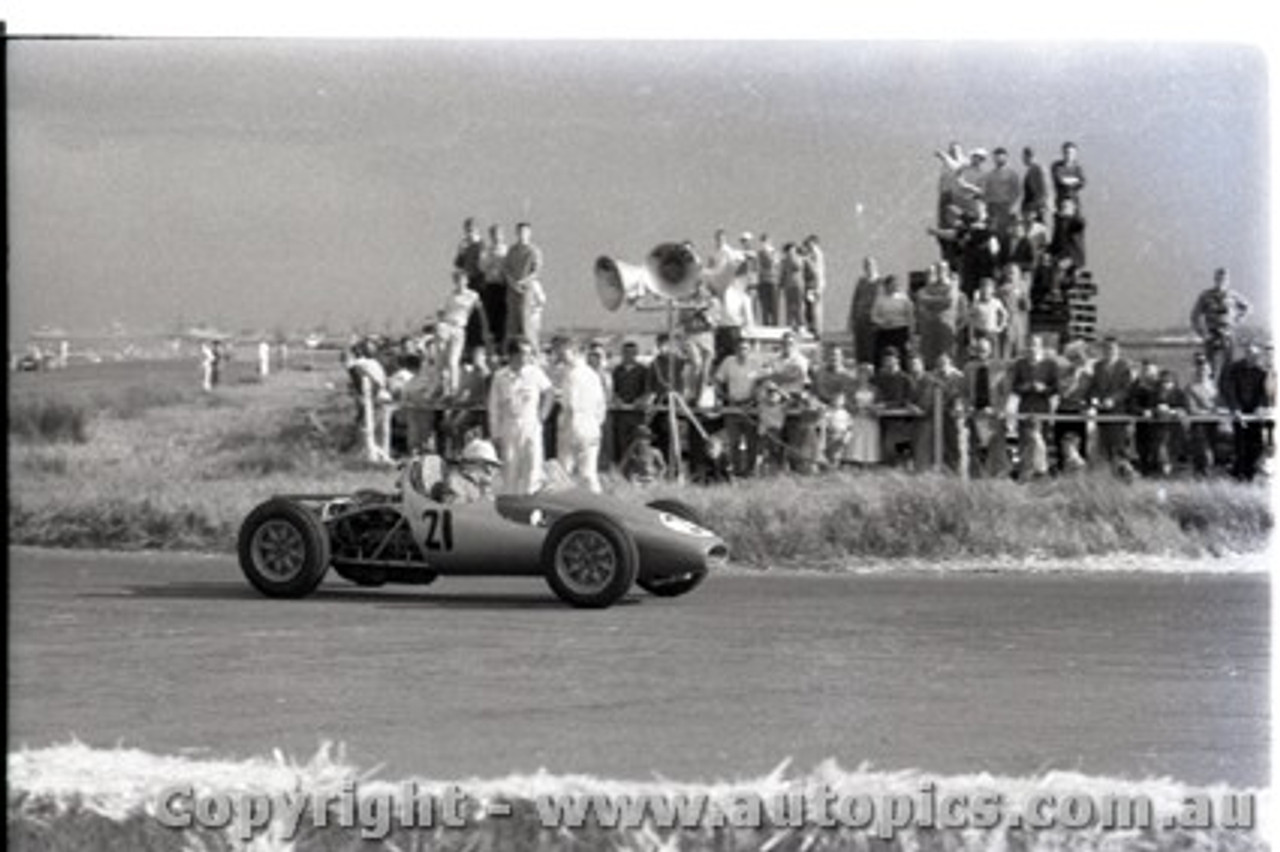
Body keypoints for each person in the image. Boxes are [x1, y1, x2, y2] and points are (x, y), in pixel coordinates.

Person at [487, 337, 554, 495]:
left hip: (531, 425)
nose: (527, 357)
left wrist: (542, 415)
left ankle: (532, 512)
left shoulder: (535, 373)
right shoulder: (500, 376)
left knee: (533, 469)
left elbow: (549, 392)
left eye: (529, 354)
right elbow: (493, 406)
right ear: (512, 355)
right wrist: (495, 434)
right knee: (510, 469)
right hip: (509, 427)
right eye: (523, 353)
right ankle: (510, 511)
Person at [555, 339, 609, 493]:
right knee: (589, 473)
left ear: (575, 353)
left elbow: (570, 405)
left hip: (573, 425)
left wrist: (564, 427)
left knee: (564, 470)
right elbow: (601, 404)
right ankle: (598, 503)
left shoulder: (571, 375)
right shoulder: (593, 374)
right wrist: (596, 424)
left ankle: (564, 503)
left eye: (564, 354)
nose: (561, 358)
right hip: (591, 426)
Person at [1219, 341, 1273, 482]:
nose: (1252, 356)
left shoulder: (1261, 372)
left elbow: (1264, 392)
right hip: (1240, 412)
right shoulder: (1234, 369)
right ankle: (1239, 476)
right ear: (1245, 354)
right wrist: (1235, 408)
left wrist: (1261, 406)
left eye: (1255, 354)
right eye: (1249, 353)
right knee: (1241, 445)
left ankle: (1249, 473)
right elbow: (1230, 390)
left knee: (1257, 445)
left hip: (1255, 413)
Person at [1011, 334, 1059, 480]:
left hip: (1042, 405)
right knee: (1025, 439)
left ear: (1041, 346)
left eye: (1035, 344)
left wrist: (1043, 389)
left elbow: (1056, 387)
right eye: (1029, 344)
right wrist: (1023, 387)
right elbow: (1013, 386)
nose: (1032, 347)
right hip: (1025, 405)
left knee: (1041, 440)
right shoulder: (1020, 364)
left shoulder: (1050, 364)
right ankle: (1024, 471)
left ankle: (1041, 472)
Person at [1189, 267, 1252, 377]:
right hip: (1212, 334)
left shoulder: (1233, 295)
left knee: (1229, 367)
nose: (1221, 281)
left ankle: (1227, 391)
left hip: (1228, 334)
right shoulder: (1206, 295)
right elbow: (1194, 315)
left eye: (1224, 279)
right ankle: (1211, 391)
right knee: (1209, 368)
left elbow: (1248, 308)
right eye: (1218, 278)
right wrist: (1202, 333)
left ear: (1228, 281)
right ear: (1215, 279)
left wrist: (1237, 320)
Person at [963, 337, 1010, 478]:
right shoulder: (968, 367)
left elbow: (1005, 392)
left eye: (984, 349)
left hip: (993, 415)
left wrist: (997, 409)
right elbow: (964, 391)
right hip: (975, 414)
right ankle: (976, 480)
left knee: (996, 448)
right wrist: (968, 406)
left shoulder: (999, 366)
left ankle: (997, 479)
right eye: (978, 349)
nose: (981, 352)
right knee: (974, 449)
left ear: (990, 350)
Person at [714, 336, 760, 477]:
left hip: (751, 407)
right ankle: (735, 471)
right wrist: (724, 397)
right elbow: (717, 381)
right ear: (735, 349)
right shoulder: (728, 362)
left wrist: (754, 399)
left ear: (749, 350)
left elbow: (763, 384)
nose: (742, 351)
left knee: (752, 442)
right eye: (740, 348)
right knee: (734, 442)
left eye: (745, 348)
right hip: (733, 406)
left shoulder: (755, 363)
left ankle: (750, 471)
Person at [1088, 337, 1136, 470]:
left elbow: (1126, 389)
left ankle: (1122, 471)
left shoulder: (1125, 366)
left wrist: (1113, 400)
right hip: (1102, 411)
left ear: (1118, 350)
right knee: (1103, 443)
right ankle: (1106, 471)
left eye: (1112, 348)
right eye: (1106, 348)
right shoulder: (1097, 366)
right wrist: (1095, 398)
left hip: (1118, 411)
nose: (1109, 351)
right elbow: (1094, 386)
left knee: (1118, 444)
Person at [437, 269, 486, 397]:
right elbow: (441, 313)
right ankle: (443, 388)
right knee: (441, 360)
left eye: (462, 279)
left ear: (466, 281)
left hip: (459, 328)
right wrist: (440, 328)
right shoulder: (449, 296)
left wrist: (485, 329)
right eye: (456, 280)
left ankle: (453, 390)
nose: (459, 282)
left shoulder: (473, 295)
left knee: (453, 361)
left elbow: (481, 312)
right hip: (446, 326)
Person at [502, 222, 547, 351]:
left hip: (526, 290)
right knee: (511, 321)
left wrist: (523, 282)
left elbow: (536, 271)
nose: (522, 234)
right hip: (512, 290)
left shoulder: (534, 251)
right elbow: (506, 268)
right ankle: (509, 352)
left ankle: (533, 351)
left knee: (526, 322)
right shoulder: (512, 250)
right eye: (520, 232)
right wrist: (512, 282)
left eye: (525, 232)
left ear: (529, 233)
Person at [915, 263, 968, 369]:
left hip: (947, 330)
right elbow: (921, 303)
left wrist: (932, 302)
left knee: (948, 358)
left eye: (943, 270)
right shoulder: (925, 290)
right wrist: (941, 300)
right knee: (929, 360)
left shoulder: (958, 293)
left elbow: (952, 303)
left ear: (947, 271)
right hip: (929, 330)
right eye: (937, 270)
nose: (940, 273)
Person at [611, 338, 652, 466]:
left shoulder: (643, 370)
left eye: (632, 352)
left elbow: (648, 390)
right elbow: (612, 389)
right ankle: (622, 468)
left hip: (637, 414)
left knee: (637, 440)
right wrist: (616, 398)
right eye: (626, 352)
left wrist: (641, 400)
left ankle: (637, 468)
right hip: (621, 413)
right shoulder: (617, 370)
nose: (629, 355)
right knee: (621, 441)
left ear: (636, 353)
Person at [871, 347, 916, 465]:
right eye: (886, 360)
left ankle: (902, 470)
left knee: (900, 449)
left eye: (891, 359)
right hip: (882, 419)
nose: (888, 362)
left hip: (901, 420)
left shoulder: (906, 379)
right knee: (885, 449)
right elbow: (874, 394)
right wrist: (877, 404)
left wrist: (887, 404)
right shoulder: (879, 378)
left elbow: (908, 399)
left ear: (897, 360)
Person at [1054, 341, 1093, 474]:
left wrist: (1088, 405)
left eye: (1081, 358)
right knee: (1061, 445)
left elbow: (1091, 396)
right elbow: (1063, 393)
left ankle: (1080, 476)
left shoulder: (1088, 377)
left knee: (1080, 446)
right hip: (1064, 411)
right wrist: (1074, 379)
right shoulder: (1062, 373)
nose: (1079, 361)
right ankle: (1061, 473)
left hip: (1079, 414)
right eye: (1075, 358)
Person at [1183, 353, 1226, 476]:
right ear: (1196, 371)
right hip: (1198, 425)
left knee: (1212, 449)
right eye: (1200, 369)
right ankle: (1200, 476)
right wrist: (1209, 412)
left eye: (1205, 369)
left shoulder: (1214, 387)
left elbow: (1220, 403)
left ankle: (1205, 478)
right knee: (1203, 453)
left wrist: (1219, 410)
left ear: (1210, 371)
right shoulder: (1191, 387)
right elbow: (1191, 409)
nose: (1202, 372)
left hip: (1213, 424)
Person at [430, 438, 503, 504]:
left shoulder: (477, 488)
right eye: (487, 464)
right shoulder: (455, 486)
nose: (491, 470)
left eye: (494, 466)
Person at [453, 217, 487, 356]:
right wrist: (461, 251)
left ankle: (478, 346)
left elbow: (482, 265)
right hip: (468, 281)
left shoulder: (481, 245)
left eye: (471, 229)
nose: (468, 232)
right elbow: (458, 264)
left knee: (478, 315)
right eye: (467, 230)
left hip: (479, 281)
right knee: (466, 314)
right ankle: (469, 346)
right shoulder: (465, 246)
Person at [870, 274, 915, 369]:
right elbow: (874, 315)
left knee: (902, 355)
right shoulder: (880, 299)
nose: (894, 286)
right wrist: (882, 322)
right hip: (884, 331)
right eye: (891, 284)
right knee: (880, 354)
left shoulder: (904, 298)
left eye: (895, 284)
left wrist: (911, 332)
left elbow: (910, 316)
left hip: (900, 330)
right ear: (886, 286)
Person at [479, 223, 509, 354]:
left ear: (502, 235)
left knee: (504, 317)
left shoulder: (507, 250)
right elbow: (482, 267)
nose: (496, 237)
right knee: (491, 317)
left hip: (504, 286)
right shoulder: (486, 251)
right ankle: (493, 348)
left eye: (498, 234)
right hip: (491, 286)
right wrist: (492, 259)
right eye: (493, 234)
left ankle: (503, 348)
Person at [983, 147, 1021, 243]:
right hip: (992, 208)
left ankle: (1007, 256)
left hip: (1006, 207)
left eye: (1001, 157)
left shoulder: (1012, 174)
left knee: (1006, 235)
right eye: (996, 157)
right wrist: (987, 207)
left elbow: (1017, 192)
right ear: (993, 159)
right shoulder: (990, 175)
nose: (999, 159)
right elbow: (986, 192)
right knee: (993, 235)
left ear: (1006, 158)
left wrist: (1013, 208)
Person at [845, 364, 881, 466]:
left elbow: (879, 403)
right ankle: (856, 459)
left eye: (866, 374)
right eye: (861, 374)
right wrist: (855, 408)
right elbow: (848, 402)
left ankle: (869, 460)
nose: (863, 376)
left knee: (870, 437)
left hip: (870, 417)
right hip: (857, 416)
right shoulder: (852, 388)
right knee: (857, 438)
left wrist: (873, 408)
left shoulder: (874, 389)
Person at [849, 257, 882, 366]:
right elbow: (855, 300)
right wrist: (852, 318)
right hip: (860, 319)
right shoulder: (861, 282)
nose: (868, 268)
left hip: (873, 321)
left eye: (870, 265)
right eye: (866, 266)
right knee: (860, 348)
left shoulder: (880, 282)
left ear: (875, 266)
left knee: (872, 348)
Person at [968, 276, 1010, 356]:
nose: (985, 291)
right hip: (979, 333)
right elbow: (971, 321)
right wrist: (971, 337)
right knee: (979, 356)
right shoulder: (975, 304)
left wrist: (1000, 328)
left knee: (994, 356)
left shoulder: (996, 302)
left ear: (993, 290)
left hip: (991, 333)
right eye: (983, 288)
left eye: (988, 288)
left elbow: (1005, 315)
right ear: (980, 290)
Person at [801, 235, 826, 337]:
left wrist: (806, 260)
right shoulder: (812, 253)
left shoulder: (816, 254)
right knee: (809, 306)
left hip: (814, 284)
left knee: (814, 307)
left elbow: (815, 270)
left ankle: (816, 329)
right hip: (811, 283)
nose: (808, 247)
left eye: (809, 244)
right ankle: (811, 326)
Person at [779, 242, 807, 331]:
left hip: (797, 284)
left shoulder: (799, 258)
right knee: (790, 306)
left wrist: (792, 255)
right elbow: (783, 273)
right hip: (789, 285)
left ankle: (800, 323)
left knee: (799, 305)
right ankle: (790, 323)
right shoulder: (785, 260)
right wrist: (781, 284)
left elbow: (797, 266)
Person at [1050, 141, 1086, 210]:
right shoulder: (1057, 166)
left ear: (1075, 154)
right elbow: (1060, 181)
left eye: (1072, 153)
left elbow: (1082, 182)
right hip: (1061, 201)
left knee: (1080, 220)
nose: (1069, 155)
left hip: (1074, 201)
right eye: (1066, 153)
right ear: (1063, 153)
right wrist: (1074, 180)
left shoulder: (1077, 168)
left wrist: (1068, 180)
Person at [754, 233, 780, 326]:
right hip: (763, 280)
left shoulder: (774, 252)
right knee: (764, 305)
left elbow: (773, 263)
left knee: (774, 305)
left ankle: (775, 324)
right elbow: (759, 265)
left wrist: (769, 254)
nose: (764, 243)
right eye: (762, 241)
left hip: (773, 281)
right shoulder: (760, 253)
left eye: (766, 241)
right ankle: (766, 324)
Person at [1021, 147, 1049, 224]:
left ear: (1028, 157)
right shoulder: (1032, 170)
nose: (1023, 159)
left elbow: (1040, 190)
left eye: (1023, 157)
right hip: (1033, 206)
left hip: (1034, 207)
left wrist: (1035, 208)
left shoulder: (1036, 169)